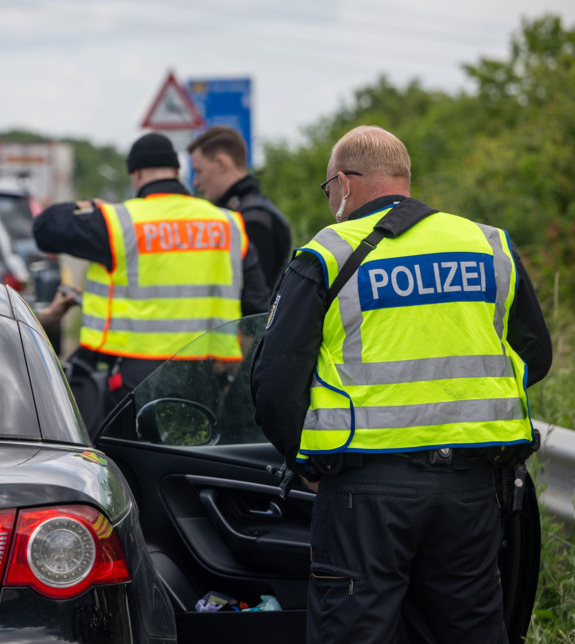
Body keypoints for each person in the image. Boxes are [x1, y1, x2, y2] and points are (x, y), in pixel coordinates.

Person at [250, 125, 553, 643]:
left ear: (344, 184)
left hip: (365, 493)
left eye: (328, 191)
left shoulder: (329, 252)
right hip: (471, 490)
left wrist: (307, 463)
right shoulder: (488, 244)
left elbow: (274, 383)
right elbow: (534, 356)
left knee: (355, 631)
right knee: (468, 630)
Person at [34, 132, 270, 432]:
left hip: (134, 380)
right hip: (205, 376)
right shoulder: (227, 224)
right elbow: (258, 307)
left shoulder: (119, 222)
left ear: (137, 174)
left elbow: (44, 227)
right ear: (176, 171)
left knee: (129, 467)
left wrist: (90, 205)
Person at [189, 125, 292, 286]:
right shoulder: (244, 212)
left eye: (198, 171)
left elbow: (259, 300)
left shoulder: (253, 220)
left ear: (221, 163)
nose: (195, 182)